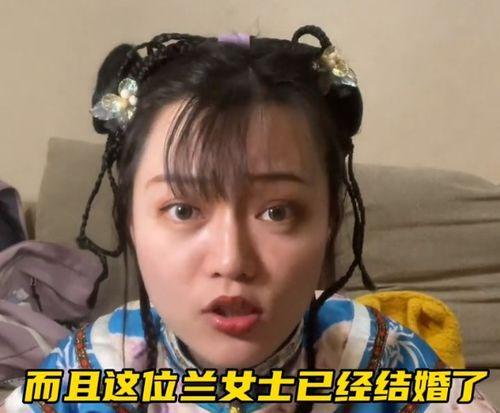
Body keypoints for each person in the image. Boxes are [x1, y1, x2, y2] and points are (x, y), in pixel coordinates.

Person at [2, 25, 496, 413]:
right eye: (183, 209)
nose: (232, 260)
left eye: (277, 212)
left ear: (329, 219)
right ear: (130, 221)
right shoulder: (87, 377)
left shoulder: (388, 365)